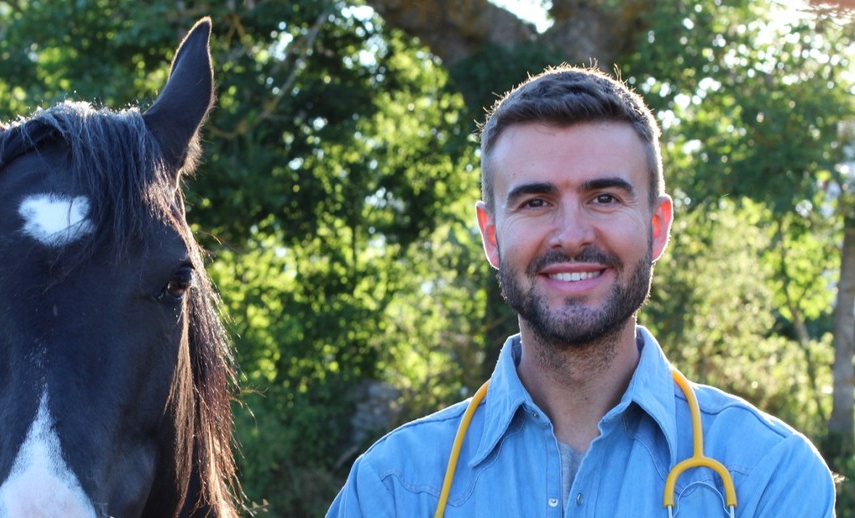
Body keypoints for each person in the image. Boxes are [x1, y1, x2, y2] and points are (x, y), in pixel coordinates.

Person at [327, 65, 835, 516]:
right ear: (491, 235)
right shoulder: (393, 489)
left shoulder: (770, 476)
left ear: (657, 226)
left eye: (604, 197)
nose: (571, 235)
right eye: (535, 202)